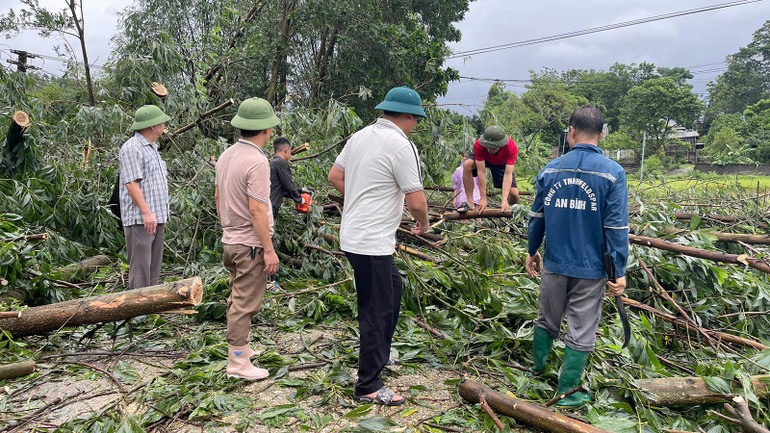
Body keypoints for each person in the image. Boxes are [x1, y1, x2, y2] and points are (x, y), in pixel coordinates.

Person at [327, 86, 430, 407]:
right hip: (371, 242)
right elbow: (416, 199)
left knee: (393, 291)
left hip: (355, 236)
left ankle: (380, 356)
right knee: (376, 310)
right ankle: (368, 384)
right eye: (415, 120)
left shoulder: (360, 136)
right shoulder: (402, 145)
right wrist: (423, 223)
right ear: (409, 116)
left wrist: (364, 195)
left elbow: (335, 176)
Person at [525, 105, 629, 407]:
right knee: (582, 326)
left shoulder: (551, 169)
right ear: (603, 133)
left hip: (555, 263)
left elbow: (537, 217)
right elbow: (616, 227)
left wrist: (532, 251)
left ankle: (537, 370)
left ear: (571, 131)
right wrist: (618, 271)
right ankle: (566, 391)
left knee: (547, 317)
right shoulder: (613, 173)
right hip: (592, 267)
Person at [215, 97, 280, 381]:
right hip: (249, 243)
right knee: (245, 302)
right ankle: (238, 361)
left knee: (236, 296)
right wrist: (268, 249)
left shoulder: (226, 155)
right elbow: (257, 208)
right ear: (266, 130)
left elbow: (218, 197)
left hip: (231, 240)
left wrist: (227, 228)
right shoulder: (257, 161)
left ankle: (242, 349)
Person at [118, 105, 171, 290]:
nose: (164, 125)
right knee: (140, 270)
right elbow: (131, 183)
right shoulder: (132, 148)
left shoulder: (152, 148)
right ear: (151, 126)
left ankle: (150, 310)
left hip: (157, 217)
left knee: (153, 268)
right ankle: (137, 313)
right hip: (141, 219)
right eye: (161, 122)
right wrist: (146, 212)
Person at [461, 126, 519, 212]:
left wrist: (504, 200)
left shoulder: (511, 147)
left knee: (514, 194)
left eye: (493, 147)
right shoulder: (479, 144)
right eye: (487, 146)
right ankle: (469, 202)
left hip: (501, 162)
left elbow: (508, 174)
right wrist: (483, 199)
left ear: (500, 145)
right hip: (484, 159)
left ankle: (512, 212)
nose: (489, 149)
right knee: (467, 164)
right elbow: (481, 171)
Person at [269, 136, 307, 217]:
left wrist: (301, 190)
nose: (290, 156)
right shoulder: (280, 163)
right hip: (269, 209)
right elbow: (289, 186)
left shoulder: (272, 163)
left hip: (266, 207)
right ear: (286, 150)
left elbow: (283, 190)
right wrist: (300, 200)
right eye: (290, 152)